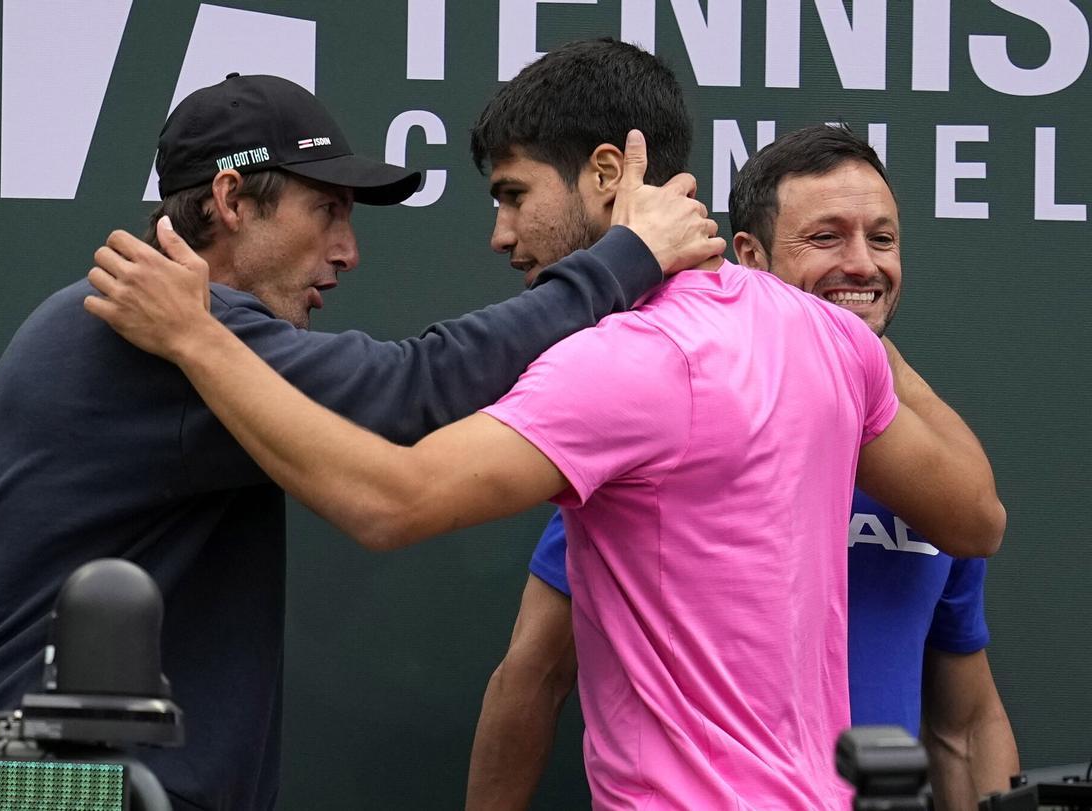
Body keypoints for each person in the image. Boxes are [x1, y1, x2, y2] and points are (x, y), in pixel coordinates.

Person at [85, 41, 1005, 809]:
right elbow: (977, 517)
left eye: (514, 193)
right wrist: (854, 346)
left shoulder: (625, 363)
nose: (499, 230)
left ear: (608, 175)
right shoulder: (819, 337)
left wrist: (199, 340)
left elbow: (387, 501)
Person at [0, 72, 721, 811]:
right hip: (64, 791)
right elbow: (413, 390)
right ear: (233, 200)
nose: (348, 250)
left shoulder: (161, 332)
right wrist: (628, 258)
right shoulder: (151, 335)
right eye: (327, 212)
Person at [466, 124, 1019, 811]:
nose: (862, 264)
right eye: (825, 238)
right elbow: (533, 675)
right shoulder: (675, 435)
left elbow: (965, 723)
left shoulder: (935, 481)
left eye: (881, 239)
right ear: (749, 256)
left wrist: (868, 361)